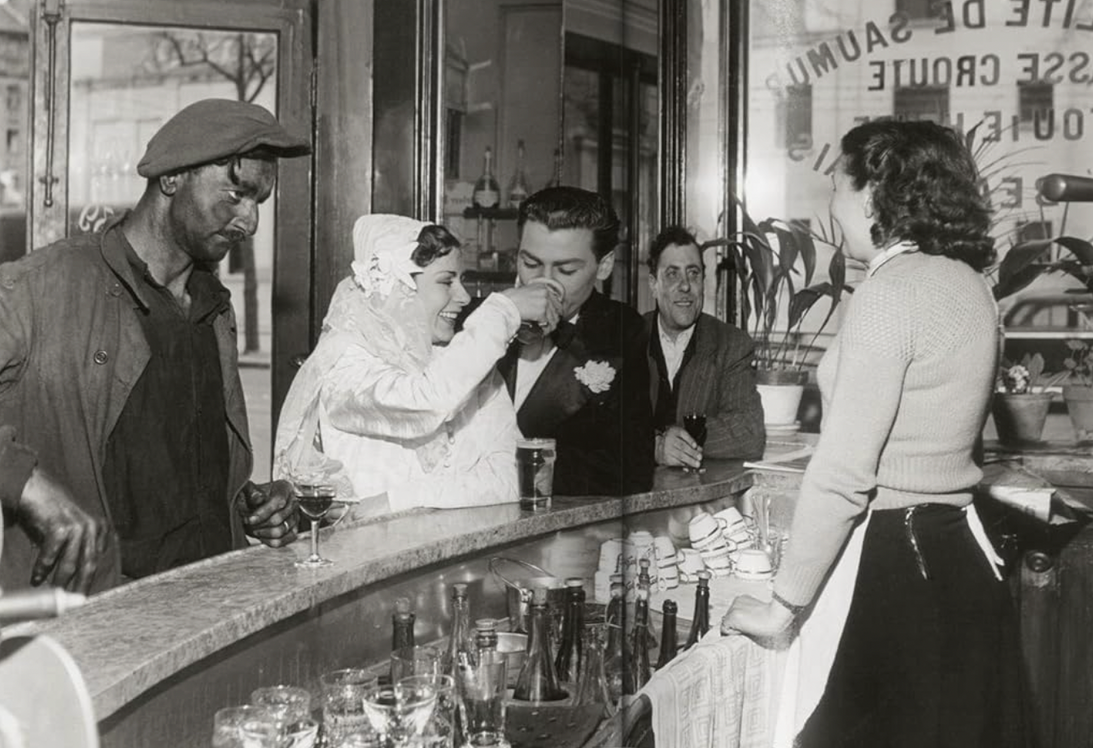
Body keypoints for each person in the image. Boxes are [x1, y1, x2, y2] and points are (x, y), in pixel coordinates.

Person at [721, 120, 1030, 748]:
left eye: (837, 185)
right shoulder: (971, 285)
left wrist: (782, 608)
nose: (831, 205)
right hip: (959, 556)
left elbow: (843, 471)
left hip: (900, 561)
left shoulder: (889, 294)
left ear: (871, 196)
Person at [0, 98, 310, 593]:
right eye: (236, 193)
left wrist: (246, 503)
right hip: (93, 623)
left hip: (209, 611)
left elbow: (159, 468)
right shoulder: (45, 287)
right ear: (171, 177)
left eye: (258, 203)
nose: (249, 222)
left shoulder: (212, 309)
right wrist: (27, 486)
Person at [274, 214, 562, 516]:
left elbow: (516, 478)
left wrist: (397, 499)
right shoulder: (345, 367)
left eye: (461, 280)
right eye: (446, 281)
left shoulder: (466, 365)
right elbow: (427, 403)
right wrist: (503, 310)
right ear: (400, 290)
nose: (464, 297)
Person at [498, 186, 655, 497]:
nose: (543, 283)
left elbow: (630, 472)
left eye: (566, 270)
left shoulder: (622, 331)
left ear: (605, 265)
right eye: (530, 264)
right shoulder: (482, 320)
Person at [643, 225, 765, 469]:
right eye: (672, 274)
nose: (685, 286)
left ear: (703, 282)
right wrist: (654, 445)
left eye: (693, 273)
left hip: (698, 498)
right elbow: (601, 427)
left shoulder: (730, 344)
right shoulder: (626, 338)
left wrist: (673, 439)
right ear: (654, 284)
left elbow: (748, 434)